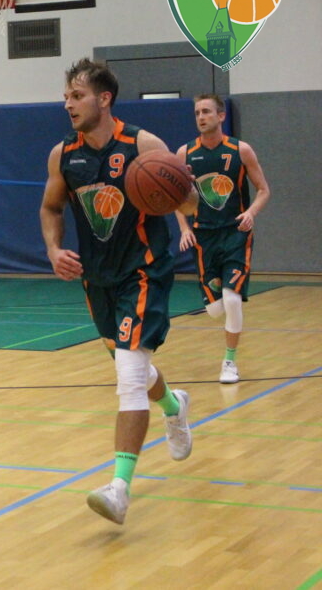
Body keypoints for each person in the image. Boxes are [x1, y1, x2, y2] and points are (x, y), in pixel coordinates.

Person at [39, 58, 196, 526]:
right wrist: (54, 250)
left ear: (104, 99)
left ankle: (119, 488)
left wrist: (177, 191)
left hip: (144, 271)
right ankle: (174, 406)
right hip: (98, 277)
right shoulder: (63, 154)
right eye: (66, 97)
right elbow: (50, 208)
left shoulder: (144, 146)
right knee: (133, 366)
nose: (68, 104)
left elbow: (190, 203)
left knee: (128, 376)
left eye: (77, 96)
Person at [175, 94, 271, 384]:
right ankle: (215, 296)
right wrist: (184, 229)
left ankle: (229, 362)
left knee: (232, 300)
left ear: (221, 116)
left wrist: (251, 212)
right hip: (203, 237)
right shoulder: (184, 153)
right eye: (197, 113)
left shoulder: (241, 150)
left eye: (206, 111)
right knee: (215, 310)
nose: (201, 117)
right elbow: (175, 197)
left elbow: (264, 190)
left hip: (235, 233)